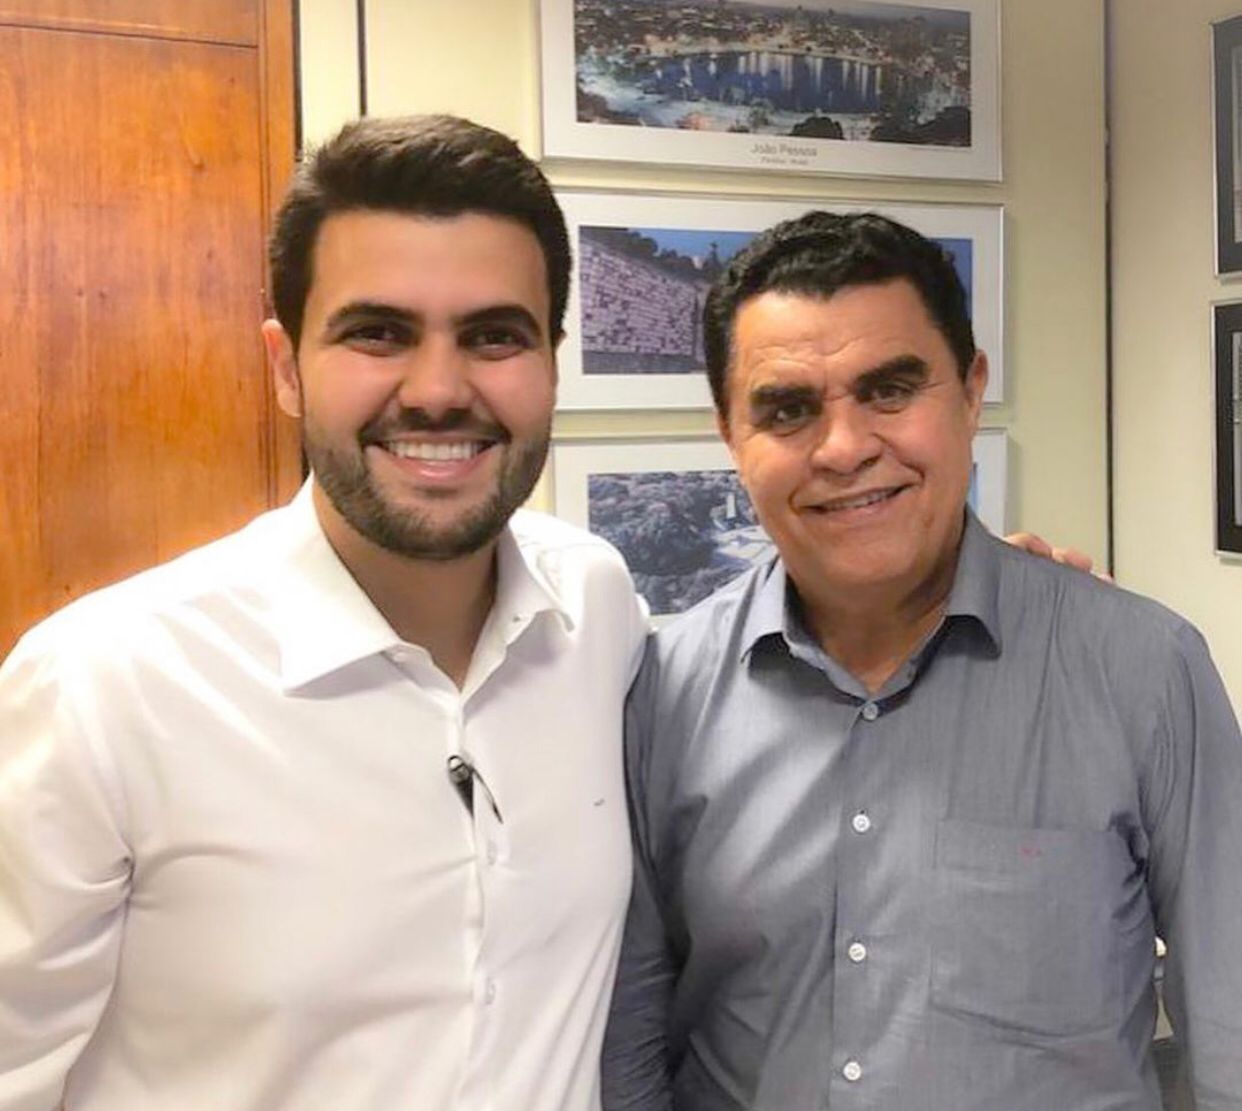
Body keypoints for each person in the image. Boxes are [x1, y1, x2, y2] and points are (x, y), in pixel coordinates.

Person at [0, 115, 648, 1110]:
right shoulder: (105, 686)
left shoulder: (596, 612)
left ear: (553, 363)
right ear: (286, 367)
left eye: (494, 336)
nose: (438, 391)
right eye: (377, 333)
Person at [602, 212, 1242, 1110]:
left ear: (971, 393)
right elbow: (629, 1040)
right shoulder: (662, 693)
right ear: (729, 433)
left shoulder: (1143, 671)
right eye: (787, 409)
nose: (844, 447)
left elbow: (1230, 1026)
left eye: (891, 389)